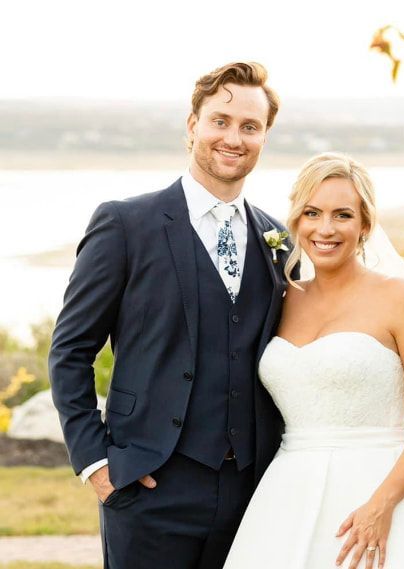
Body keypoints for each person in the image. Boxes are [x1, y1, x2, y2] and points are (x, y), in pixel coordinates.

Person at [49, 62, 296, 569]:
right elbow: (70, 350)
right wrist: (97, 463)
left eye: (250, 127)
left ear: (265, 138)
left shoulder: (279, 240)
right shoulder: (125, 224)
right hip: (148, 486)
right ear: (192, 126)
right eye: (220, 120)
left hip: (254, 494)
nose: (234, 137)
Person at [222, 153, 404, 569]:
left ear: (365, 225)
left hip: (385, 487)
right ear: (296, 219)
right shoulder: (280, 300)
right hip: (289, 493)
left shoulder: (400, 297)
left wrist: (381, 506)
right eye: (312, 213)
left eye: (342, 215)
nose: (325, 229)